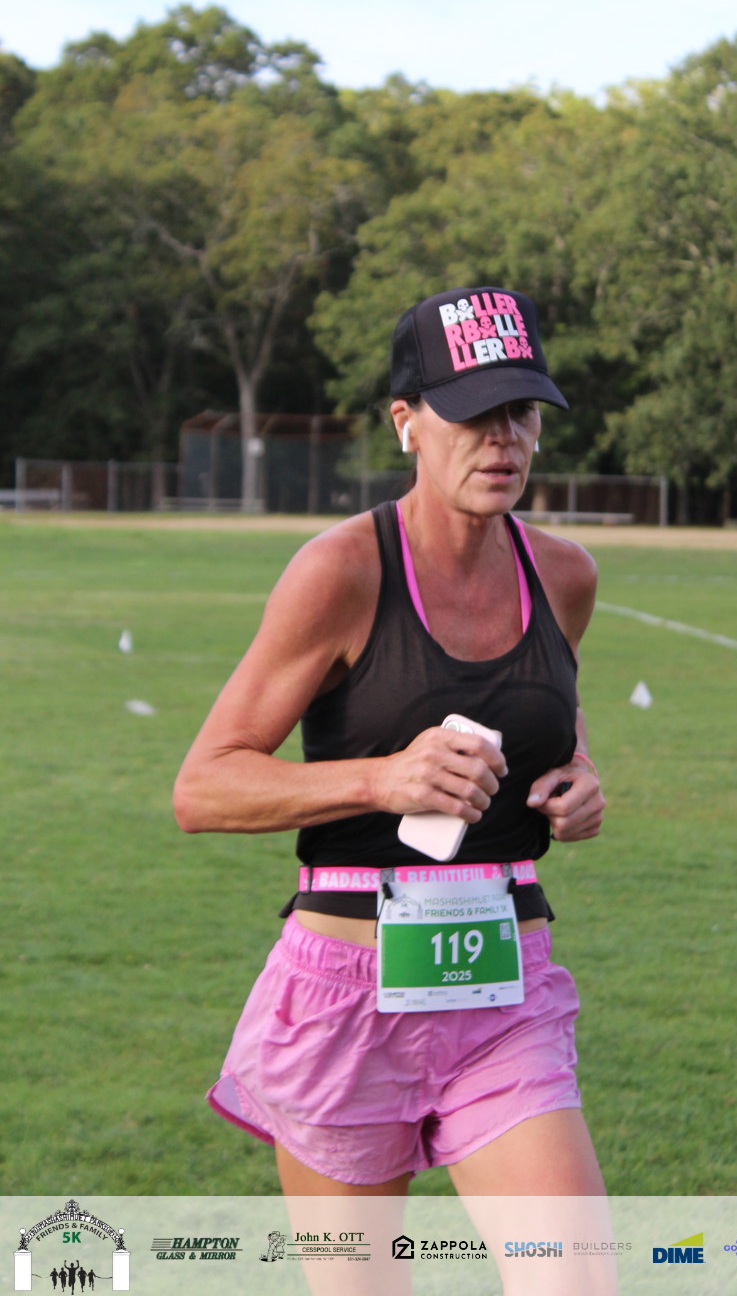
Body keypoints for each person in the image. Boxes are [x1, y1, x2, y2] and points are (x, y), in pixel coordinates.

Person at [174, 285, 608, 1207]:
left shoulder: (565, 575)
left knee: (573, 1265)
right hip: (344, 994)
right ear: (406, 423)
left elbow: (551, 721)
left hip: (505, 992)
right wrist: (384, 780)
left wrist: (579, 784)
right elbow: (203, 788)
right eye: (474, 415)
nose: (503, 439)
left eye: (522, 412)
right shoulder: (339, 571)